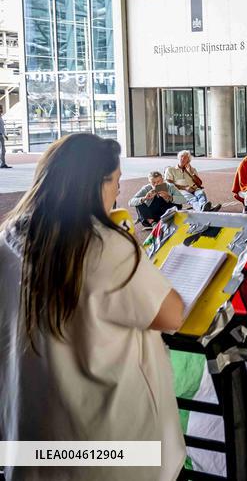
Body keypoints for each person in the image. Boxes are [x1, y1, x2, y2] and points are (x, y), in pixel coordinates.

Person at [0, 134, 185, 481]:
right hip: (107, 449)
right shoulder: (105, 247)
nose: (117, 192)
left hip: (30, 437)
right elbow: (171, 313)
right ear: (94, 185)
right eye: (115, 182)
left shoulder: (5, 241)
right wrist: (127, 238)